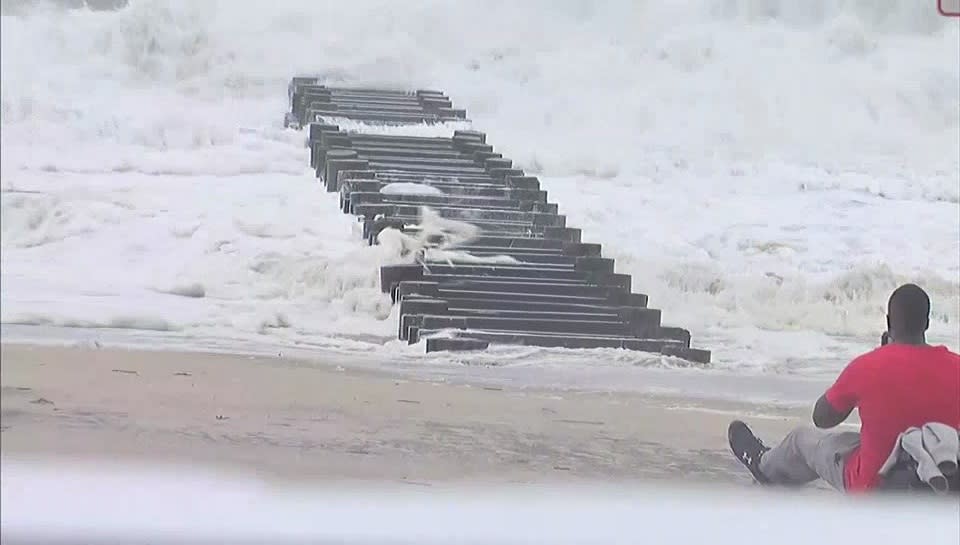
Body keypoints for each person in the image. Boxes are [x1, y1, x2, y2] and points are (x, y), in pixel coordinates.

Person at [728, 283, 960, 493]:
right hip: (943, 484)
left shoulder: (869, 366)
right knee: (857, 441)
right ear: (927, 323)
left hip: (874, 487)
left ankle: (764, 465)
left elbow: (822, 417)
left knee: (803, 439)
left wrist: (880, 362)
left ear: (889, 323)